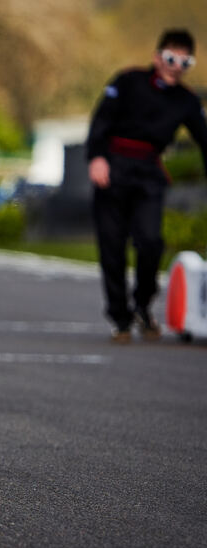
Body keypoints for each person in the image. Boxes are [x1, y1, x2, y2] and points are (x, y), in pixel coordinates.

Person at [87, 29, 207, 343]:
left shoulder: (187, 101)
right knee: (112, 247)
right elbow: (101, 121)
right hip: (113, 168)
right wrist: (97, 157)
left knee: (151, 242)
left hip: (149, 173)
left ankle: (142, 303)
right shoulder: (127, 82)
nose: (176, 66)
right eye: (170, 58)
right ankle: (120, 318)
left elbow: (204, 140)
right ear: (157, 58)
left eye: (184, 61)